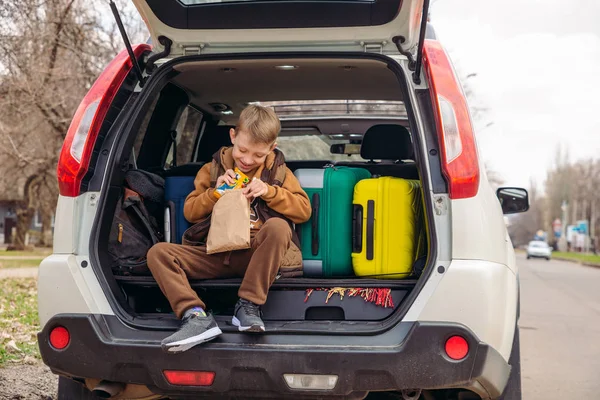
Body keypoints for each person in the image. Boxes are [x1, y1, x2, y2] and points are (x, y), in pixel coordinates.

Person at [147, 105, 311, 353]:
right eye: (242, 150)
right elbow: (190, 212)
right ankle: (195, 316)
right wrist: (215, 193)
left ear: (271, 148)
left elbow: (303, 210)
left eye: (257, 155)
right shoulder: (211, 170)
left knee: (278, 227)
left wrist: (270, 192)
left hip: (256, 257)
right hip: (214, 252)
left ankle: (248, 306)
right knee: (158, 253)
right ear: (233, 136)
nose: (247, 160)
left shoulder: (279, 172)